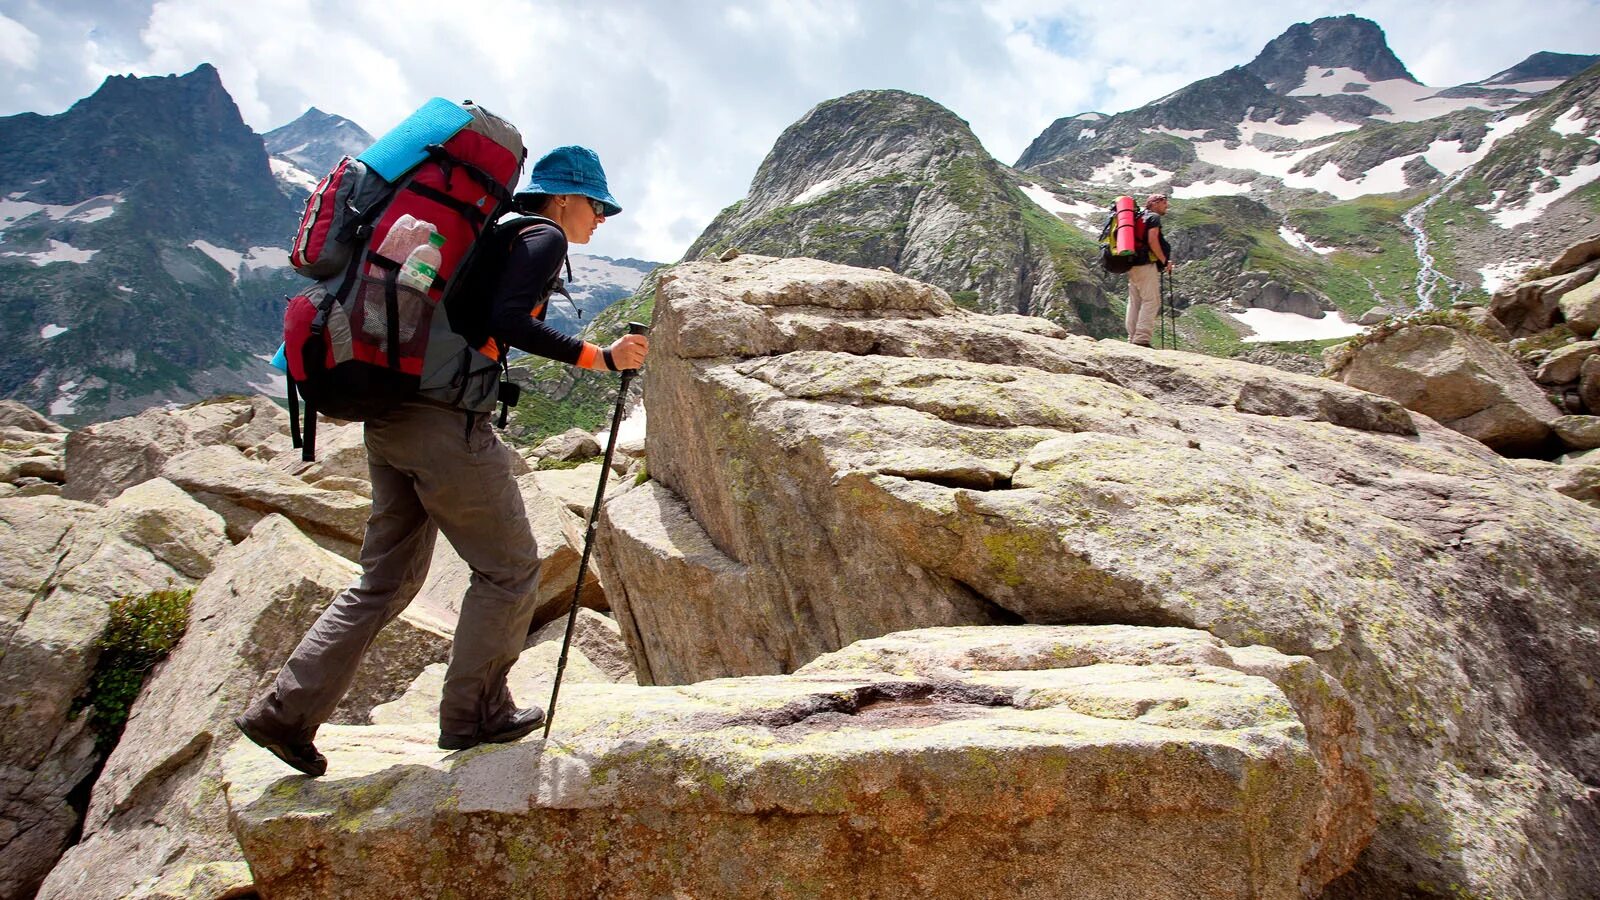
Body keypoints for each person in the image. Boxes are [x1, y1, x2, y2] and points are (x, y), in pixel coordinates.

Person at [235, 145, 649, 775]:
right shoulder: (540, 238)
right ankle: (473, 717)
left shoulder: (492, 235)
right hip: (445, 425)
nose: (601, 220)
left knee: (384, 580)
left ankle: (284, 715)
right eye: (597, 205)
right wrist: (601, 357)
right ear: (562, 198)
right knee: (511, 569)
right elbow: (508, 322)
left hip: (392, 417)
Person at [1125, 193, 1173, 348]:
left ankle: (1132, 337)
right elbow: (1152, 240)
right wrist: (1164, 261)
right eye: (1164, 203)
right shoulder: (1153, 218)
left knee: (1135, 301)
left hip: (1132, 264)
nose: (1167, 206)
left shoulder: (1138, 217)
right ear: (1155, 203)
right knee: (1152, 301)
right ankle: (1142, 339)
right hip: (1146, 264)